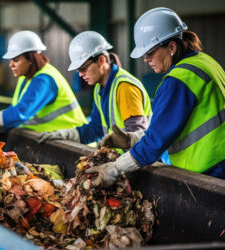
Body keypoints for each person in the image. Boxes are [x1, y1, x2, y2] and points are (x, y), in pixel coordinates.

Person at [88, 7, 225, 187]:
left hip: (210, 172)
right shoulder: (205, 61)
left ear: (172, 47)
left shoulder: (178, 81)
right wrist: (131, 140)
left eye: (149, 53)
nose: (146, 59)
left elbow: (156, 143)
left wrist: (115, 168)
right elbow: (170, 127)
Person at [37, 31, 152, 145]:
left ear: (101, 60)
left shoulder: (124, 87)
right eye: (78, 71)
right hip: (126, 159)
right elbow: (95, 129)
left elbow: (136, 138)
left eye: (83, 69)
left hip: (147, 162)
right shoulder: (100, 88)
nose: (81, 75)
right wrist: (65, 134)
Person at [0, 30, 87, 132]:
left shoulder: (44, 80)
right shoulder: (25, 78)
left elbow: (21, 113)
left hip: (75, 142)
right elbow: (14, 112)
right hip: (55, 138)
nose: (11, 65)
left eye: (16, 60)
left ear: (31, 60)